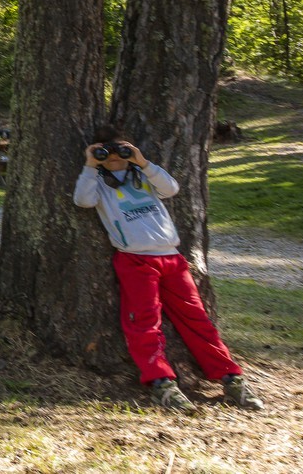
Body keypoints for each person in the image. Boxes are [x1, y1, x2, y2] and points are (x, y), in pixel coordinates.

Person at [74, 126, 266, 413]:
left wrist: (142, 162)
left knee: (197, 318)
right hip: (135, 260)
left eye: (121, 149)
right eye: (106, 152)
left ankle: (231, 376)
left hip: (171, 258)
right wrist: (91, 165)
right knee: (144, 321)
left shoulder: (144, 177)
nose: (114, 156)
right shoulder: (99, 183)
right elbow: (83, 200)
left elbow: (171, 188)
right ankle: (161, 382)